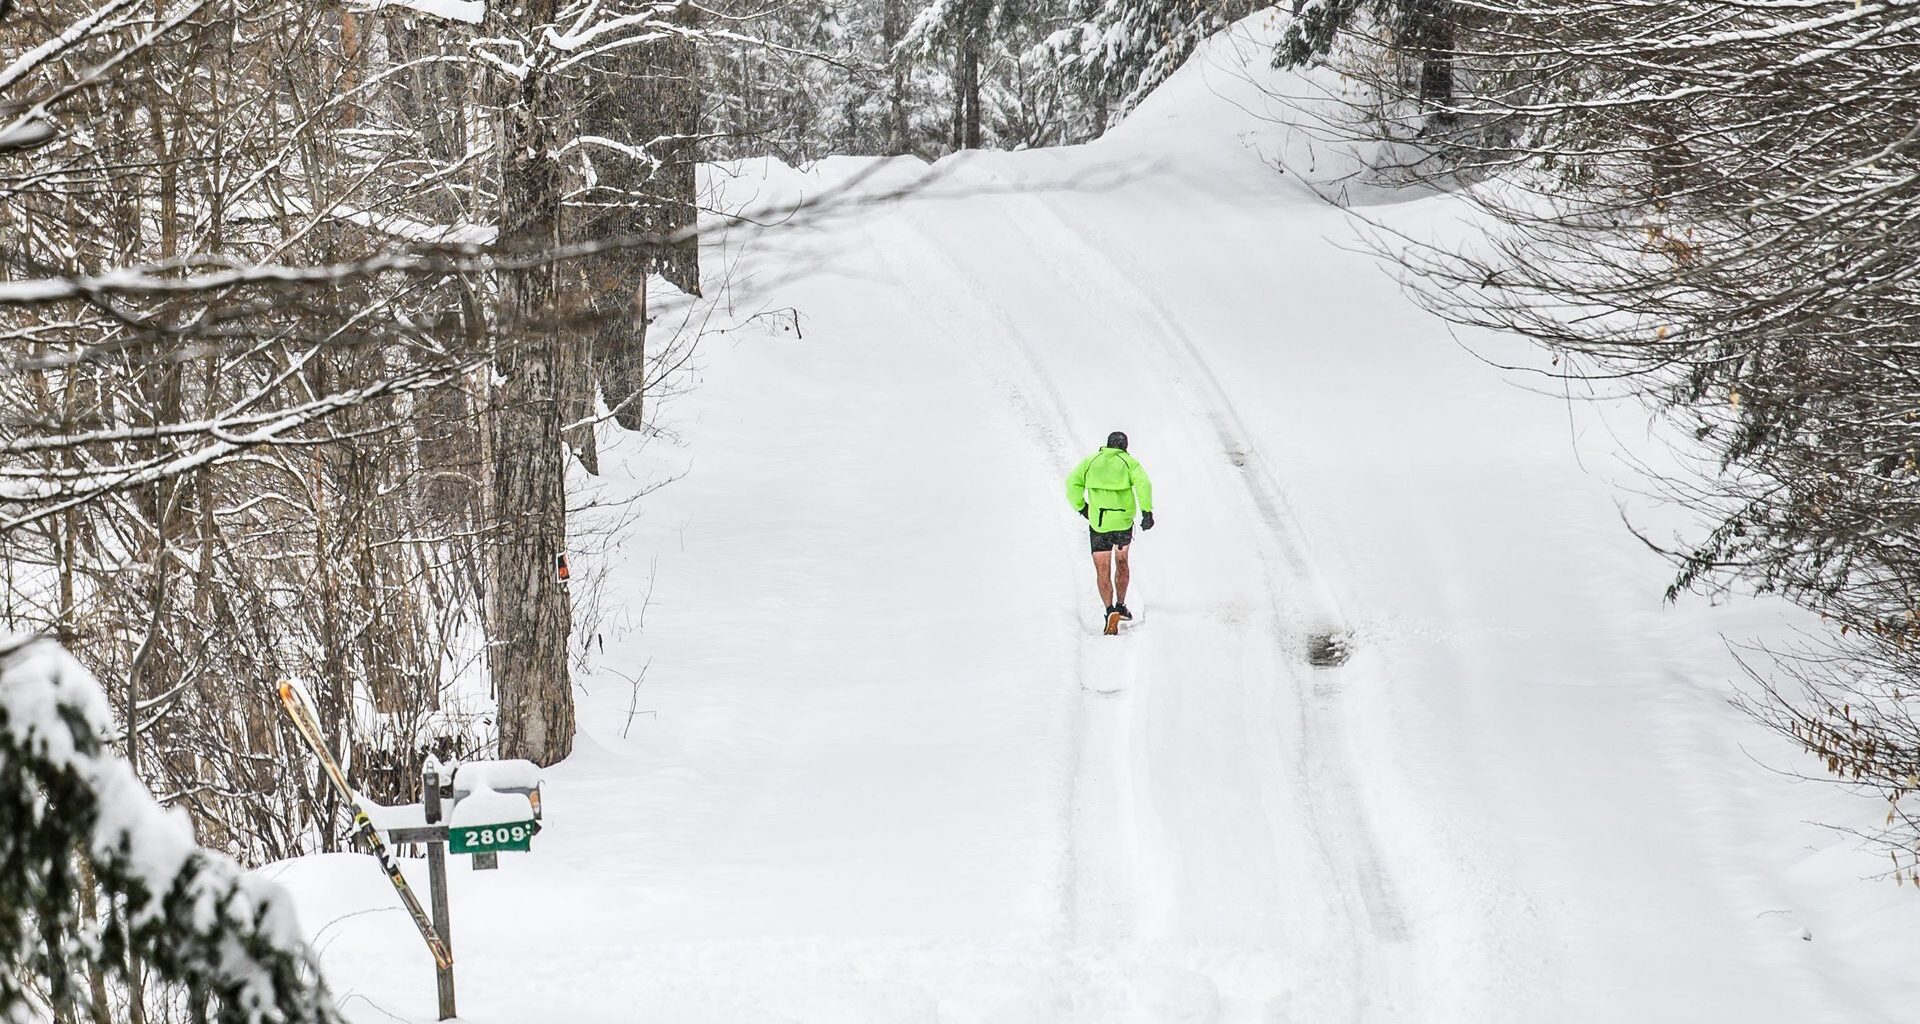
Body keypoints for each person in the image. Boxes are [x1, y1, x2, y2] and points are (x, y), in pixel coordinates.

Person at [1066, 430, 1155, 623]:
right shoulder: (1129, 462)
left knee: (1102, 568)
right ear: (1125, 447)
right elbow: (1144, 484)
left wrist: (1082, 508)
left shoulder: (1090, 461)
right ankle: (1121, 605)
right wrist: (1147, 512)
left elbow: (1072, 484)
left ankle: (1109, 610)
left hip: (1099, 523)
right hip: (1123, 522)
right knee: (1122, 561)